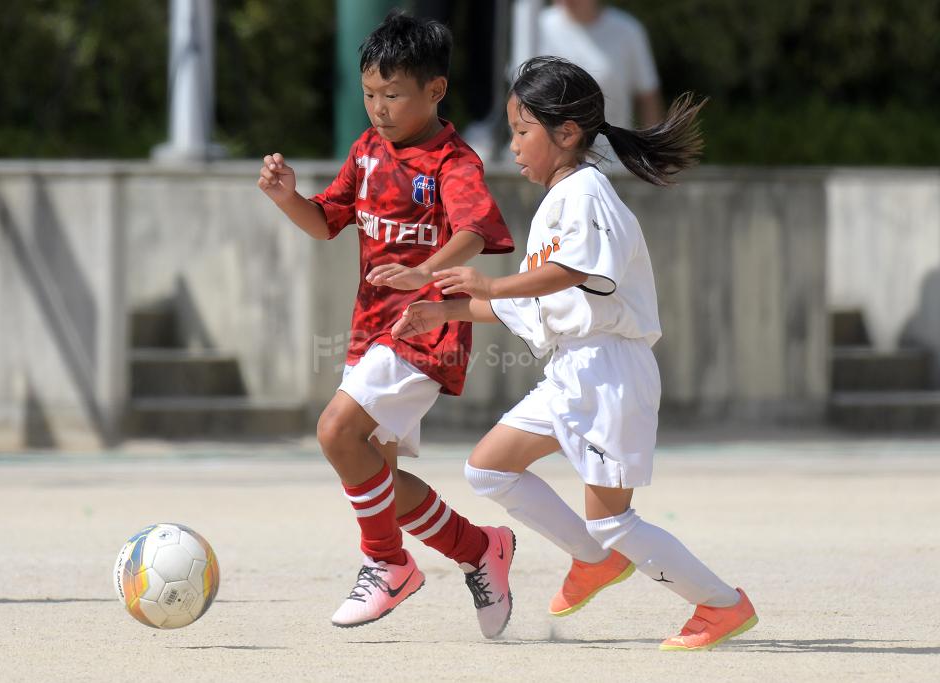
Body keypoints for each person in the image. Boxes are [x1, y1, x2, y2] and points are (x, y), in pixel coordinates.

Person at [391, 56, 758, 651]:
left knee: (614, 520)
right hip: (574, 369)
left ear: (566, 134)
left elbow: (567, 275)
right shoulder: (562, 197)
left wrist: (486, 285)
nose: (512, 145)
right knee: (488, 467)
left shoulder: (586, 192)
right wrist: (445, 312)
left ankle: (720, 605)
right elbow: (540, 302)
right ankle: (594, 560)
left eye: (521, 130)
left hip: (609, 371)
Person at [257, 11, 517, 637]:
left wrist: (422, 272)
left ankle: (387, 564)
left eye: (393, 95)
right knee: (378, 471)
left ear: (435, 91)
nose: (378, 107)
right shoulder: (367, 152)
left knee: (335, 431)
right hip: (370, 330)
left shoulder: (453, 162)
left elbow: (476, 232)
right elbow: (325, 222)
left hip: (428, 329)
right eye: (370, 93)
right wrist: (288, 196)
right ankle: (480, 548)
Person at [538, 0, 662, 168]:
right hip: (550, 164)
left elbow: (647, 97)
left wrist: (653, 158)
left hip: (614, 163)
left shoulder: (628, 31)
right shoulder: (537, 27)